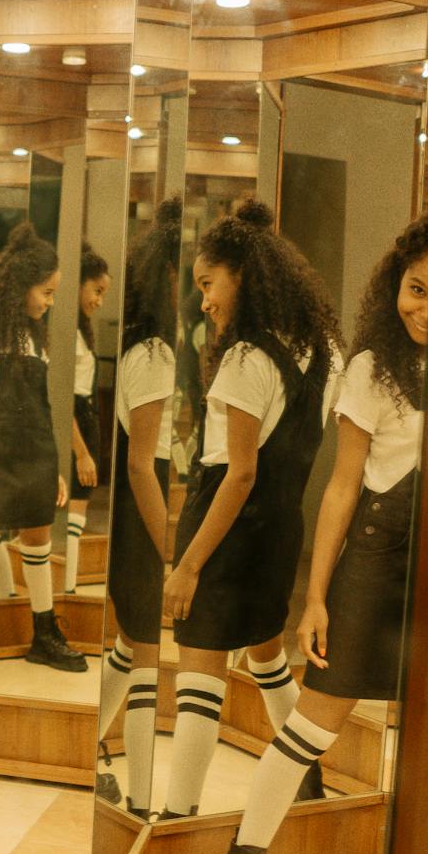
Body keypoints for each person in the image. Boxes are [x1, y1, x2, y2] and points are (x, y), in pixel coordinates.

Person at [210, 214, 428, 854]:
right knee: (317, 721)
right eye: (414, 290)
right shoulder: (373, 367)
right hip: (374, 554)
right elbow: (340, 490)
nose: (423, 309)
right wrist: (316, 597)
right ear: (394, 285)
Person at [159, 199, 343, 819]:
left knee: (198, 689)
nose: (204, 300)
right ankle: (306, 779)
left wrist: (187, 565)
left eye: (209, 284)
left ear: (243, 274)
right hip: (279, 533)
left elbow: (237, 474)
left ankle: (177, 816)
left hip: (224, 530)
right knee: (267, 663)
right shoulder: (325, 354)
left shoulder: (245, 358)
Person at [0, 223, 84, 671]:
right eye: (46, 292)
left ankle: (44, 633)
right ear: (21, 283)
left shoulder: (32, 334)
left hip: (37, 455)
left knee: (38, 541)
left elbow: (44, 406)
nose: (50, 302)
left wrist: (57, 468)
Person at [97, 199, 182, 813]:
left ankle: (91, 746)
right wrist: (172, 547)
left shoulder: (147, 349)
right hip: (139, 514)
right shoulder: (153, 354)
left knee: (131, 650)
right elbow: (139, 463)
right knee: (147, 655)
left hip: (137, 511)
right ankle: (143, 801)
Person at [64, 245, 110, 593]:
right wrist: (81, 451)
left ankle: (69, 585)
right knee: (74, 505)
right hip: (76, 420)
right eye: (96, 290)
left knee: (80, 504)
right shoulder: (67, 332)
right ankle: (67, 587)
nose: (99, 300)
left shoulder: (82, 330)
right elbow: (63, 400)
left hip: (87, 414)